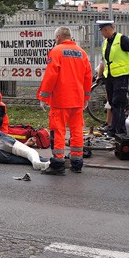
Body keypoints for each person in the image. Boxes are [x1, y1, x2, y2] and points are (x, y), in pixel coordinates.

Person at [37, 26, 92, 175]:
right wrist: (86, 97)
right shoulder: (82, 53)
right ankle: (77, 162)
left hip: (61, 100)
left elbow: (50, 76)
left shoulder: (56, 51)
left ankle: (58, 164)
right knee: (76, 131)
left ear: (59, 37)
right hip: (78, 100)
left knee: (58, 131)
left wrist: (43, 96)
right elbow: (88, 77)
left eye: (56, 38)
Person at [96, 20, 129, 138]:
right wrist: (100, 76)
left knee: (118, 103)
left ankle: (119, 130)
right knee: (111, 102)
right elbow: (104, 60)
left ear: (107, 29)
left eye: (101, 31)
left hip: (121, 76)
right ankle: (113, 129)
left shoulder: (122, 39)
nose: (101, 33)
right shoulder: (106, 42)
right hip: (109, 76)